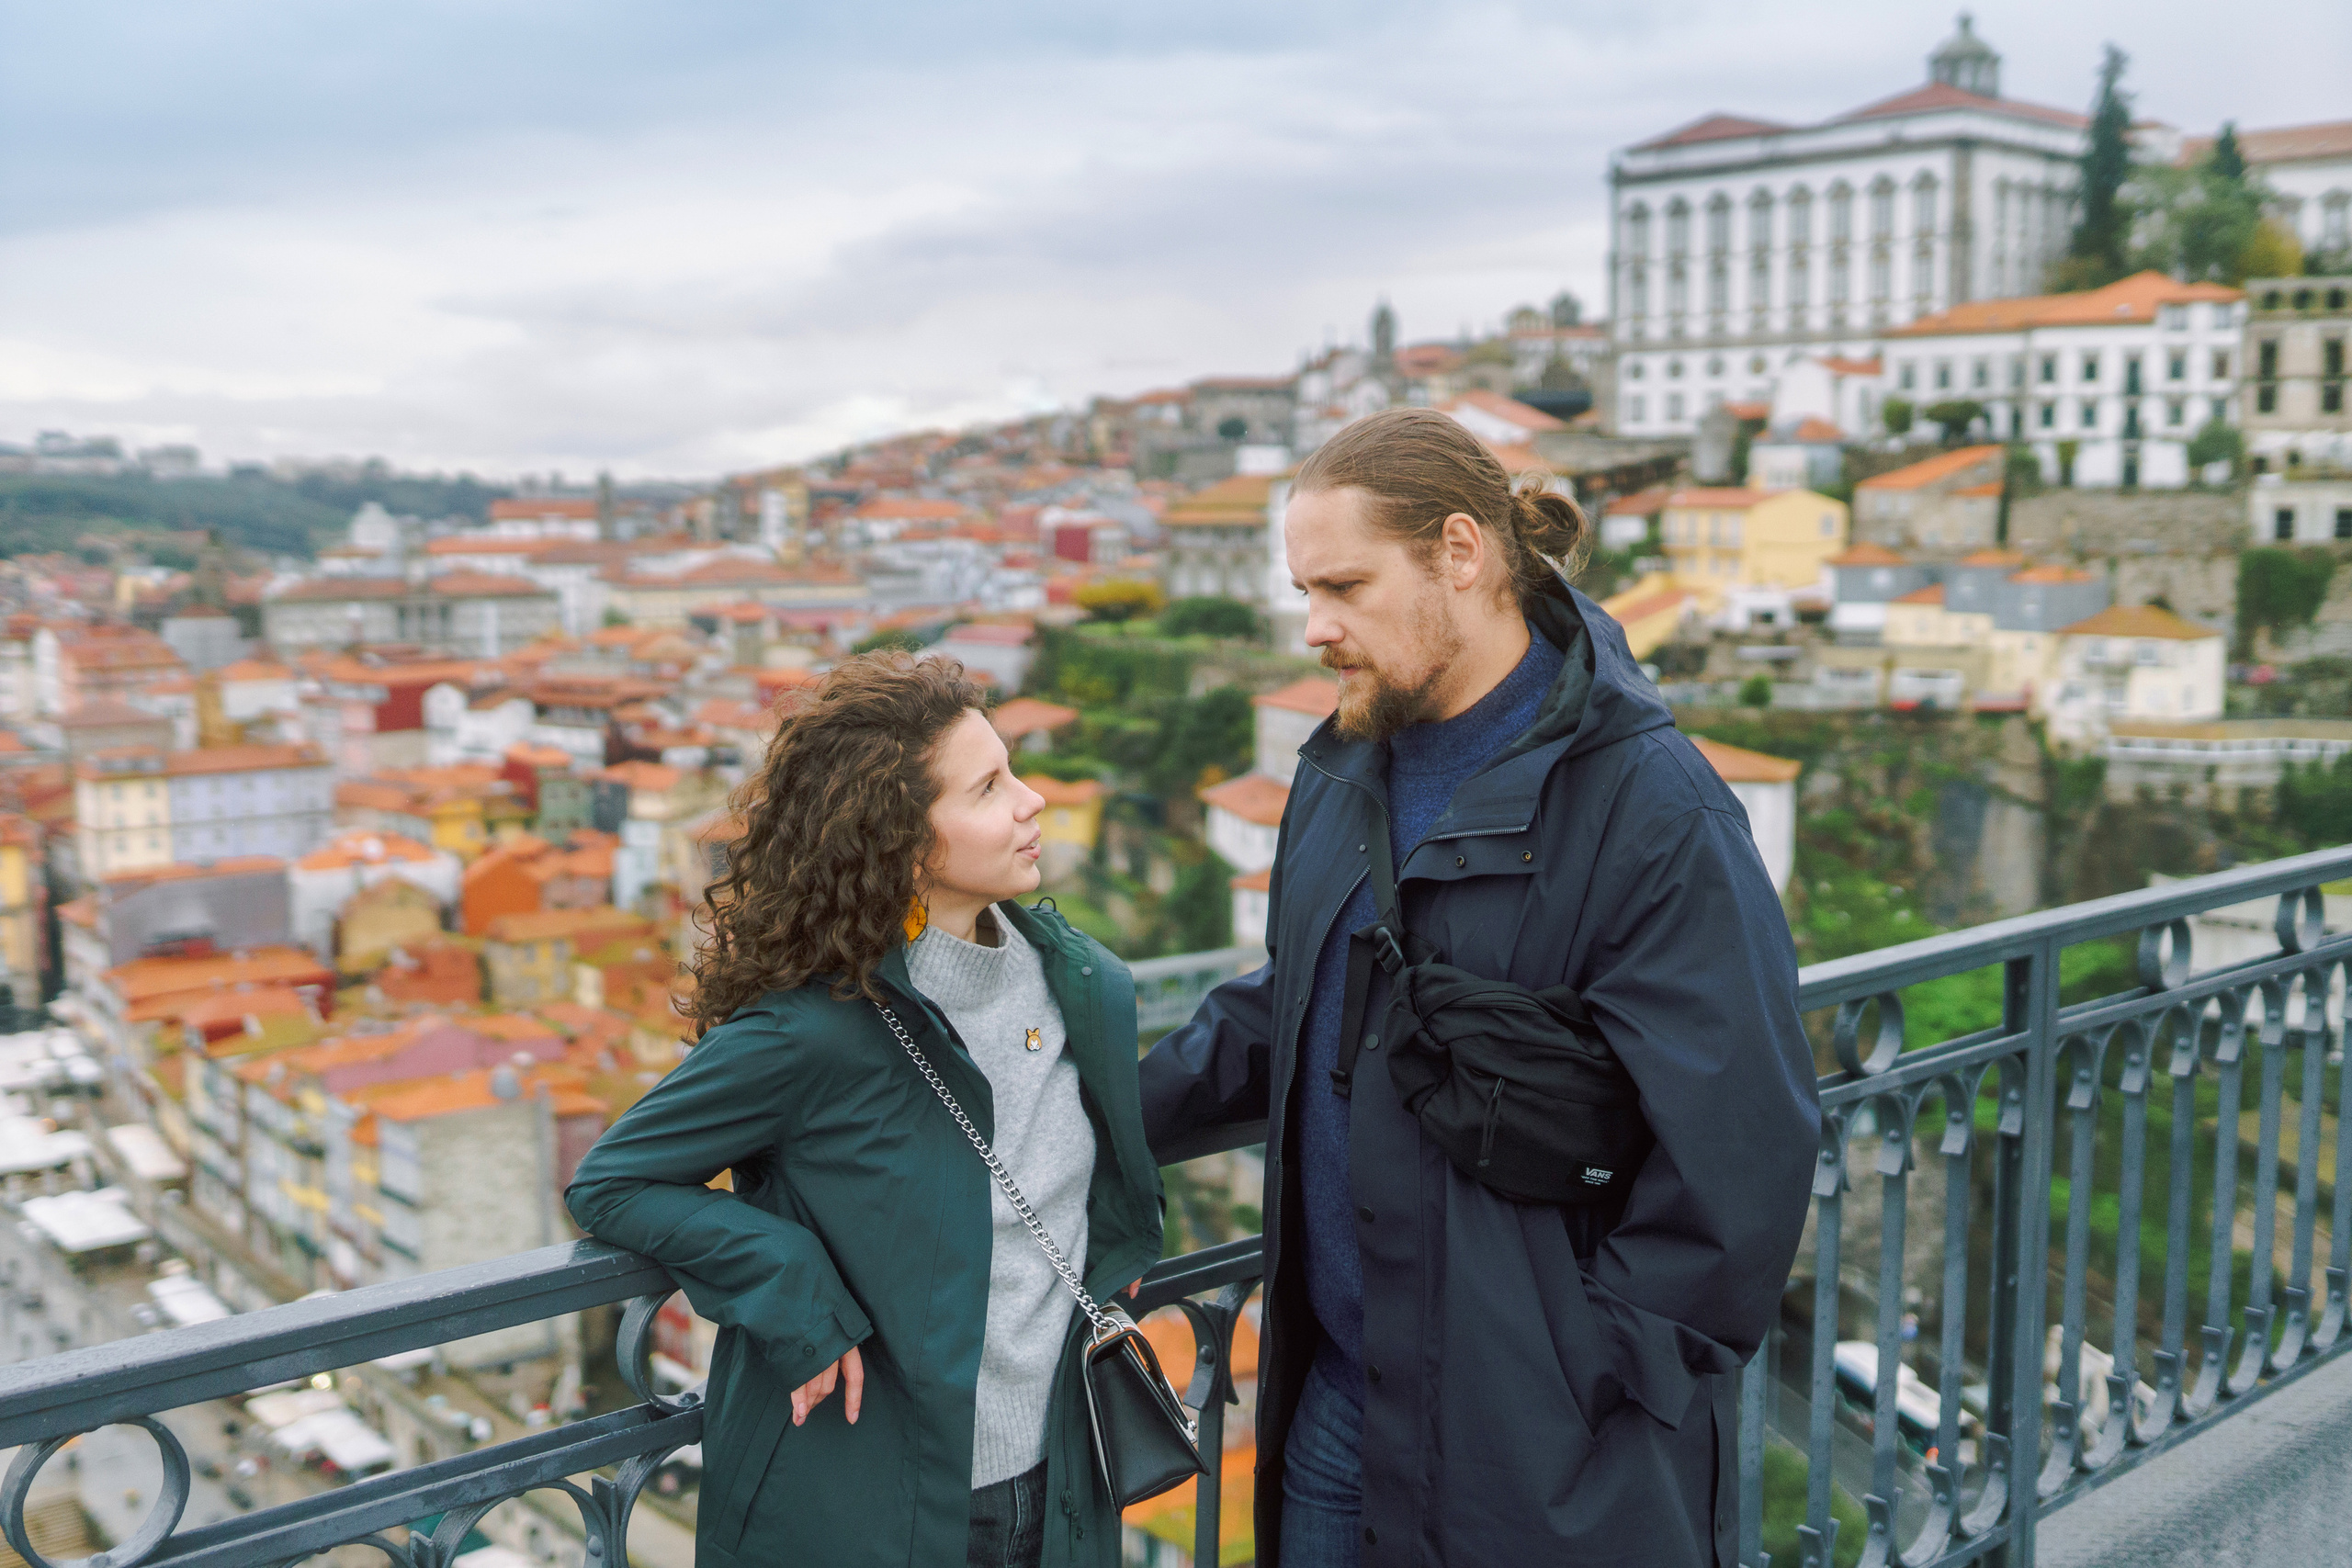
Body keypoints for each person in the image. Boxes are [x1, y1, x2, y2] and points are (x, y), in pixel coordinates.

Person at [1138, 408, 1821, 1566]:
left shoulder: (1652, 807)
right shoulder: (1344, 768)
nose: (1315, 627)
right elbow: (1290, 1008)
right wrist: (1068, 1099)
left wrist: (1592, 1375)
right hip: (1337, 1422)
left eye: (1344, 586)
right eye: (1303, 592)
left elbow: (1743, 1149)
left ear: (1461, 553)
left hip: (1542, 1457)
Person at [566, 653, 1162, 1568]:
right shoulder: (816, 1033)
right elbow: (614, 1182)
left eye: (1013, 770)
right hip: (874, 1507)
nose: (1032, 800)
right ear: (901, 843)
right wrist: (791, 1285)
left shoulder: (1083, 986)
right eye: (989, 787)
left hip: (1066, 1487)